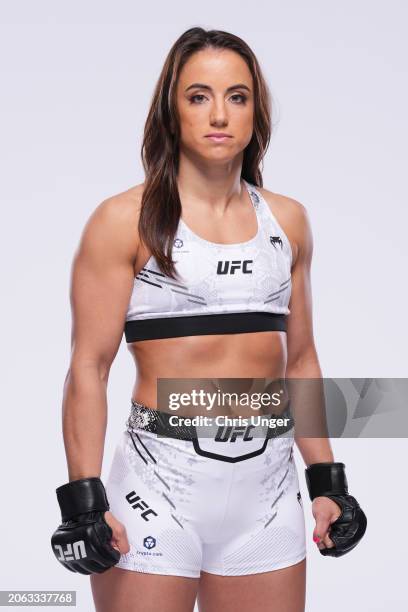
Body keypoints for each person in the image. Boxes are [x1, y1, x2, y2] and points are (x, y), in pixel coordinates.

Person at [50, 27, 367, 612]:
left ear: (256, 112)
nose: (219, 113)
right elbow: (88, 368)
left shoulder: (288, 223)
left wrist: (327, 480)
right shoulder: (125, 221)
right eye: (199, 96)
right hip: (158, 486)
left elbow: (299, 360)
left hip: (267, 491)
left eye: (237, 96)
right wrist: (83, 499)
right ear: (171, 110)